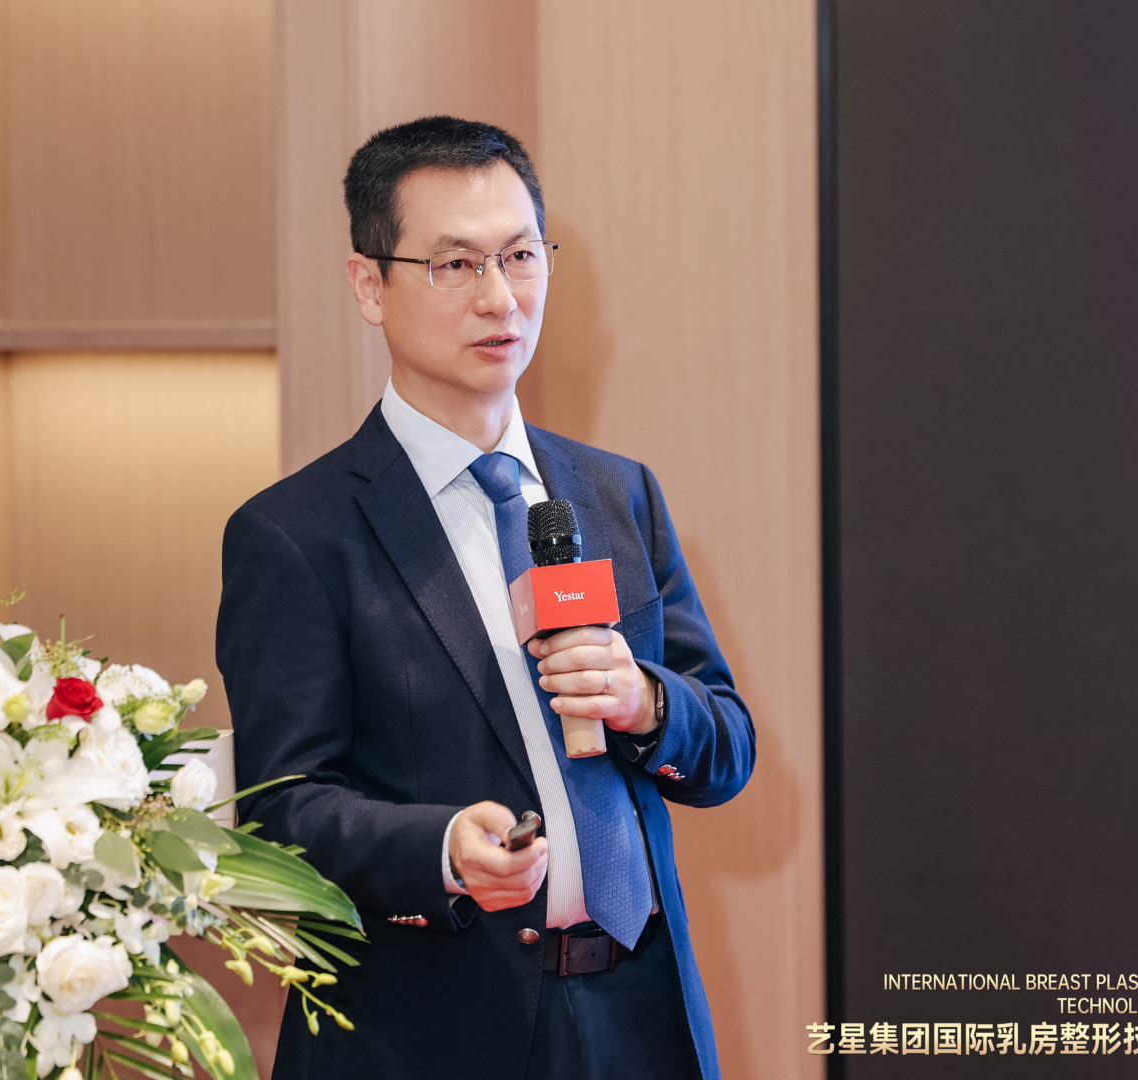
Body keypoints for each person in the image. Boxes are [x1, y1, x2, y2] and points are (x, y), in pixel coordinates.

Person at [217, 115, 754, 1080]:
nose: (500, 297)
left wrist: (645, 703)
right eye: (455, 264)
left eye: (520, 256)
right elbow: (279, 811)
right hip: (428, 1035)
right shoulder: (296, 535)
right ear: (369, 285)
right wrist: (438, 849)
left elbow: (727, 748)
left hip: (640, 1019)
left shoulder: (616, 493)